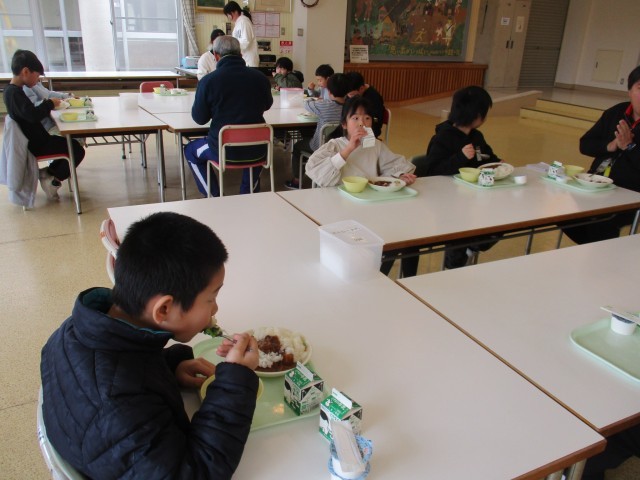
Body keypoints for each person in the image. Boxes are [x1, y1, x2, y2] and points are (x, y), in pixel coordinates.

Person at [40, 211, 260, 479]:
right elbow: (196, 472)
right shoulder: (117, 410)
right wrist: (236, 382)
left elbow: (114, 373)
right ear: (164, 309)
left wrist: (169, 368)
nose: (215, 308)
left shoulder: (77, 330)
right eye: (211, 298)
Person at [413, 85, 501, 270]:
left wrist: (498, 163)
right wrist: (460, 157)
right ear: (476, 115)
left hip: (474, 196)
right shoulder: (442, 138)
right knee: (457, 232)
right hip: (446, 201)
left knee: (500, 222)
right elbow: (432, 171)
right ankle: (453, 265)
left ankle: (472, 246)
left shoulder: (477, 136)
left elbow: (487, 158)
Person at [561, 65, 640, 245]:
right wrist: (610, 146)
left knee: (601, 220)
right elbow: (585, 145)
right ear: (629, 91)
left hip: (630, 193)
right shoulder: (616, 113)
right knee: (562, 209)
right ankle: (596, 249)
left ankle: (600, 253)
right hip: (595, 184)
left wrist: (629, 146)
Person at [185, 35, 272, 197]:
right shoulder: (260, 78)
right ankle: (248, 194)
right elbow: (267, 105)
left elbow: (199, 118)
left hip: (222, 150)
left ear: (216, 55)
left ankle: (214, 196)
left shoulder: (208, 81)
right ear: (240, 54)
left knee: (190, 150)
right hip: (258, 148)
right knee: (258, 149)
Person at [3, 49, 85, 200]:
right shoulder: (14, 93)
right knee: (77, 150)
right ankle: (52, 179)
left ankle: (48, 174)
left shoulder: (12, 91)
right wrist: (49, 104)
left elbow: (30, 113)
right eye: (37, 76)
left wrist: (51, 103)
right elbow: (32, 115)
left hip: (37, 139)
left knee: (72, 145)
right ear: (25, 71)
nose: (37, 80)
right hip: (36, 144)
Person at [306, 95, 416, 187]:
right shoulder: (335, 145)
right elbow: (316, 171)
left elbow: (393, 165)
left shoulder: (376, 145)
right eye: (355, 118)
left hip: (369, 196)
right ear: (344, 124)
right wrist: (348, 149)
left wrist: (400, 176)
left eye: (367, 118)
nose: (362, 123)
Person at [285, 73, 351, 189]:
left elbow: (306, 104)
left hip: (321, 147)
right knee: (308, 133)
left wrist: (311, 98)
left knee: (297, 147)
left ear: (329, 92)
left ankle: (296, 181)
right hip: (344, 147)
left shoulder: (324, 105)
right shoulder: (351, 107)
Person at [345, 71, 385, 138]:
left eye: (352, 94)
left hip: (370, 130)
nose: (349, 97)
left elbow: (375, 123)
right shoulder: (352, 93)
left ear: (361, 88)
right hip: (355, 126)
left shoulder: (374, 98)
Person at [224, 1, 259, 68]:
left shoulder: (244, 21)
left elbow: (246, 41)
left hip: (249, 61)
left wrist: (233, 49)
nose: (228, 17)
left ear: (235, 12)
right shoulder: (238, 23)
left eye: (228, 14)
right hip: (244, 59)